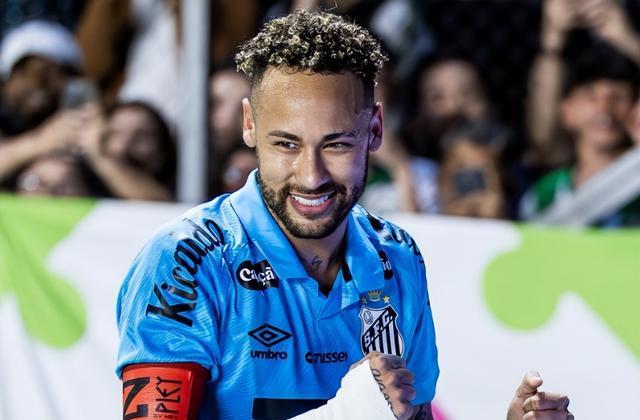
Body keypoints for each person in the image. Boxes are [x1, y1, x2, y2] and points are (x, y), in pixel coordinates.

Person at [116, 10, 572, 420]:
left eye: (336, 144)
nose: (310, 175)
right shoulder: (185, 260)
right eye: (286, 143)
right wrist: (348, 413)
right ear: (250, 124)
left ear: (374, 129)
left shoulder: (396, 256)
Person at [520, 45, 640, 226]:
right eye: (590, 97)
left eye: (618, 97)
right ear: (566, 110)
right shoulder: (545, 193)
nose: (604, 109)